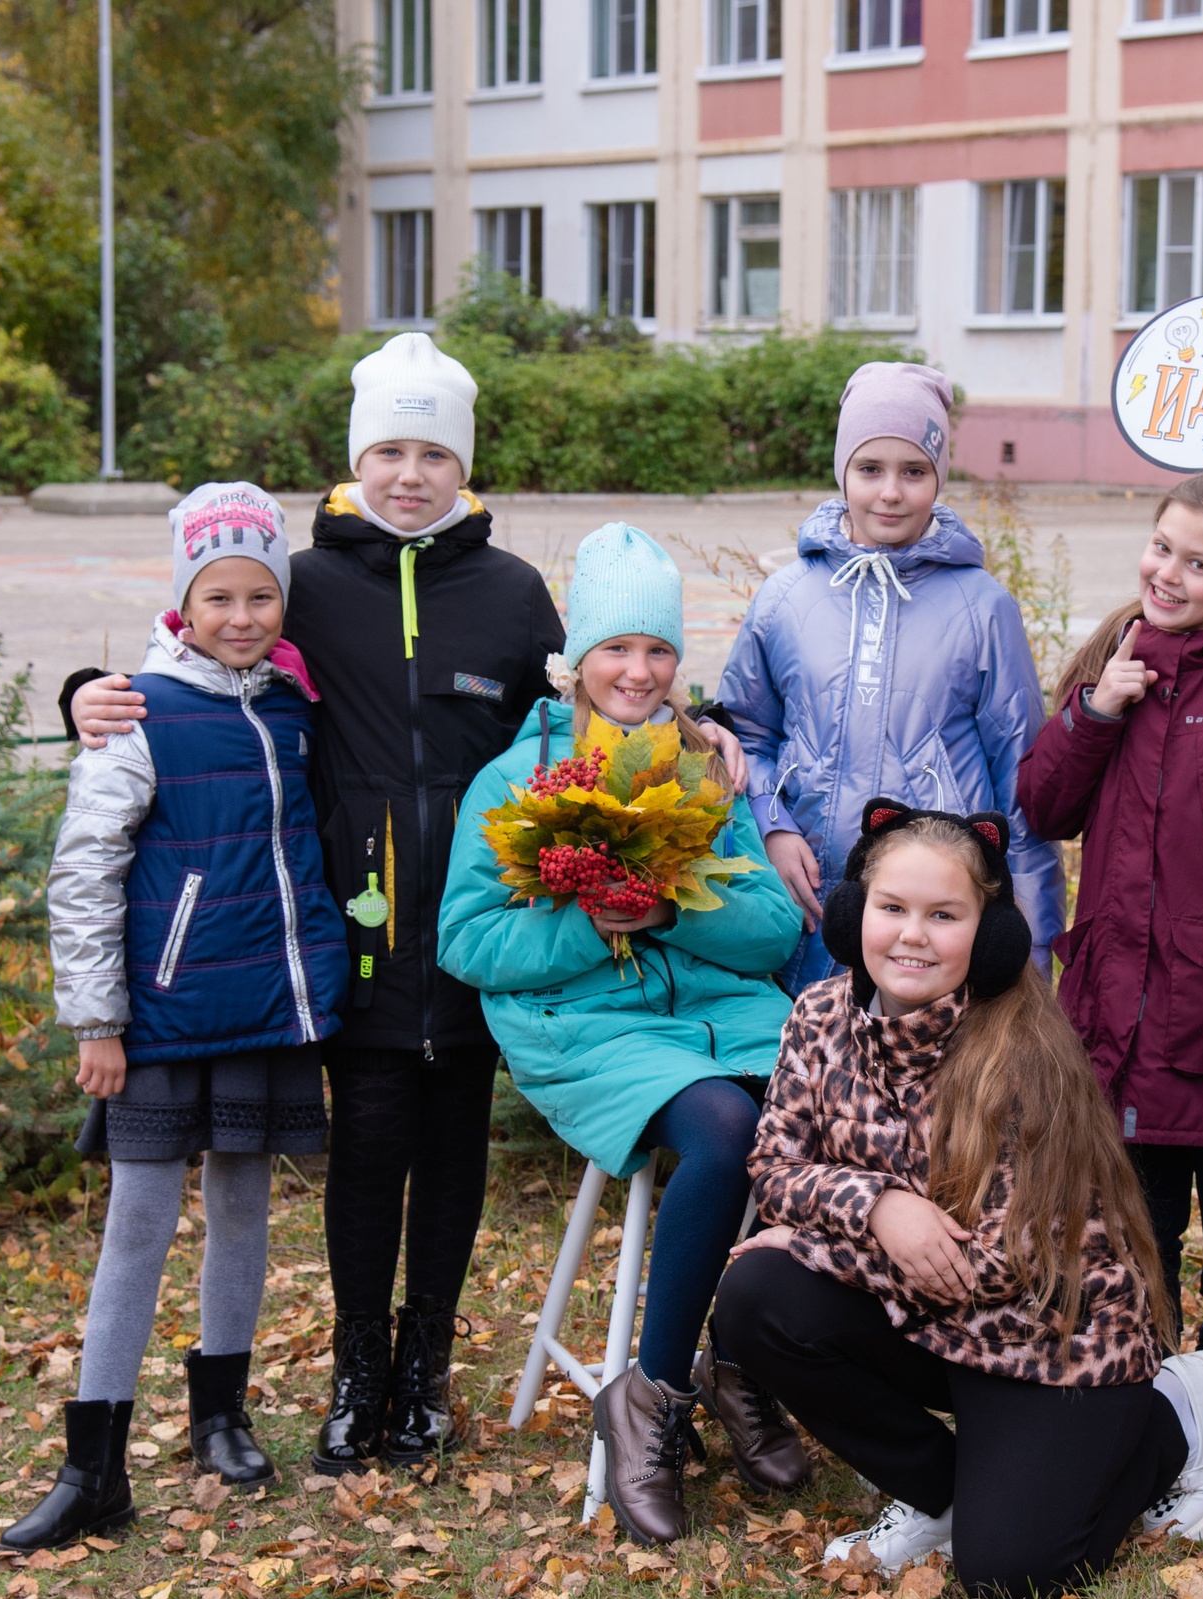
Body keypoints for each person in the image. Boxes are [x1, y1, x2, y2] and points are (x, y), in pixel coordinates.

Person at [67, 335, 744, 1475]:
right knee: (368, 1146)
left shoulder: (510, 591)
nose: (410, 473)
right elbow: (200, 653)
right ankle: (356, 1371)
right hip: (355, 930)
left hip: (486, 929)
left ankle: (424, 1364)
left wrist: (702, 719)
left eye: (433, 451)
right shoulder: (309, 584)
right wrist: (87, 691)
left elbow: (593, 691)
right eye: (389, 448)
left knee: (451, 1153)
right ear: (356, 457)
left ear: (462, 465)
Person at [714, 803, 1203, 1599]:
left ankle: (1172, 1415)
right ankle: (940, 1493)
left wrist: (815, 1240)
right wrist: (879, 1203)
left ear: (988, 933)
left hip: (1047, 1336)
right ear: (854, 912)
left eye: (943, 915)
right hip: (925, 1321)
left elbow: (983, 1269)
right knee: (754, 1297)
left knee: (1013, 1575)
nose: (911, 935)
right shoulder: (819, 1015)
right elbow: (775, 1165)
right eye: (891, 908)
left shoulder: (1023, 1053)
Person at [437, 523, 809, 1546]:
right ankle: (651, 1398)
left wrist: (672, 908)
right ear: (577, 660)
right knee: (725, 1125)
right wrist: (583, 916)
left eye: (657, 651)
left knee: (815, 1105)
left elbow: (774, 925)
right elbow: (466, 939)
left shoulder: (702, 769)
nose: (637, 671)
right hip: (585, 1023)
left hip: (716, 1013)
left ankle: (741, 1367)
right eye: (616, 648)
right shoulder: (519, 781)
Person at [10, 483, 347, 1550]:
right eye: (218, 597)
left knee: (244, 1213)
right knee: (137, 1229)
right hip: (159, 1017)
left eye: (261, 595)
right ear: (182, 603)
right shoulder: (141, 712)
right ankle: (93, 1460)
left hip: (262, 1011)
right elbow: (85, 867)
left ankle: (221, 1415)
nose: (242, 616)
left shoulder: (295, 709)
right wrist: (96, 1018)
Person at [1016, 470, 1203, 1475]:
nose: (1169, 573)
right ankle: (1145, 1411)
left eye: (1199, 563)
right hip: (1113, 1022)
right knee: (1129, 1231)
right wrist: (1096, 709)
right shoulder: (1118, 659)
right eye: (1161, 548)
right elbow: (1043, 805)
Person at [717, 361, 1061, 992]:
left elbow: (1020, 786)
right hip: (810, 899)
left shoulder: (982, 607)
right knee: (813, 1072)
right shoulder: (784, 599)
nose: (891, 493)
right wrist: (772, 824)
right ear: (842, 471)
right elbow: (747, 740)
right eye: (869, 469)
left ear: (940, 476)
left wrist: (1030, 952)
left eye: (915, 472)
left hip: (929, 923)